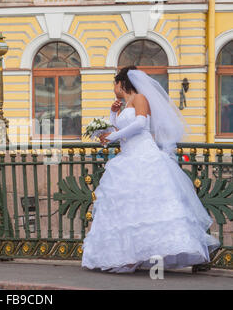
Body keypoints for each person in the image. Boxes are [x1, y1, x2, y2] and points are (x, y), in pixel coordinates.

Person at [81, 66, 219, 273]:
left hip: (144, 155)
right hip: (128, 156)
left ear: (121, 84)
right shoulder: (125, 104)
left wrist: (113, 136)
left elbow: (139, 124)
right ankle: (130, 255)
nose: (113, 87)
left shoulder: (140, 98)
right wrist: (112, 115)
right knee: (129, 208)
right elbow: (120, 131)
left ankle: (168, 251)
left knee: (153, 206)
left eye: (114, 83)